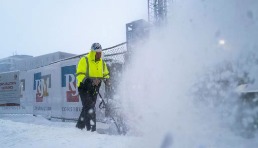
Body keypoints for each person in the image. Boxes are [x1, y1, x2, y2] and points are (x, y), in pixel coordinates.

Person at [76, 43, 110, 132]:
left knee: (87, 107)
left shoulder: (102, 63)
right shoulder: (85, 60)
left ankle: (79, 127)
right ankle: (91, 130)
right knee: (90, 107)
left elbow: (105, 73)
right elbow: (79, 74)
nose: (99, 54)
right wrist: (90, 81)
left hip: (94, 89)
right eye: (97, 52)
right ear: (92, 52)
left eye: (100, 52)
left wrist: (107, 79)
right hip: (84, 88)